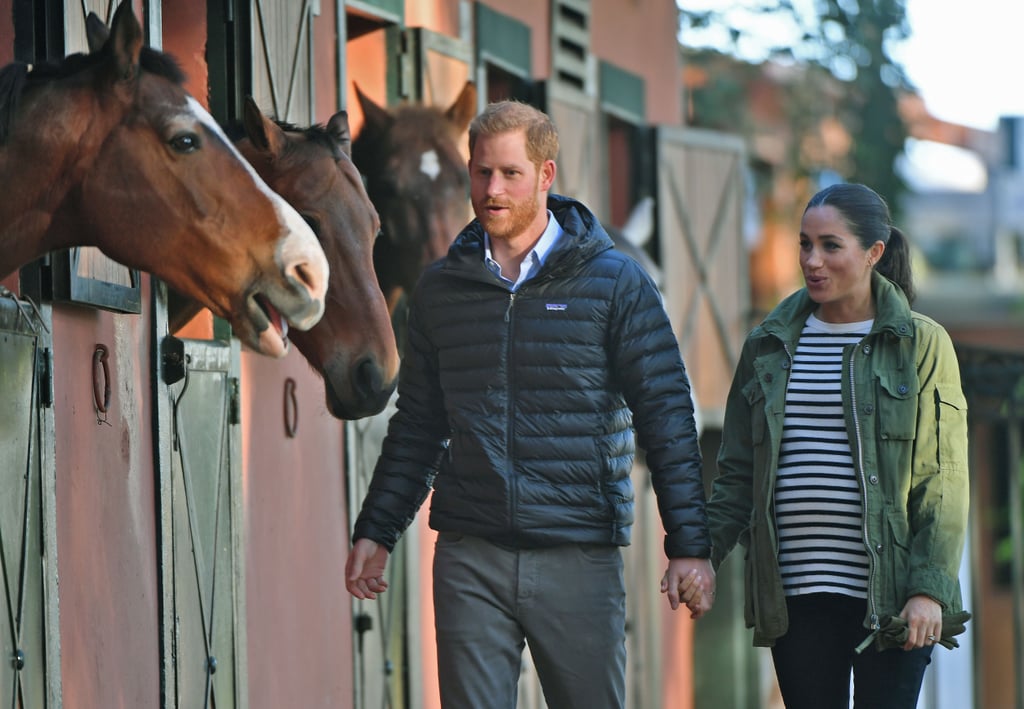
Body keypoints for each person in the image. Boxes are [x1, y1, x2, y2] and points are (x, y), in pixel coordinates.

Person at [345, 99, 715, 708]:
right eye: (481, 172)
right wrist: (377, 529)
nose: (492, 189)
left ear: (545, 175)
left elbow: (667, 414)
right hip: (470, 557)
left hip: (578, 554)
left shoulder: (615, 282)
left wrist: (690, 545)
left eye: (510, 173)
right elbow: (419, 426)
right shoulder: (441, 291)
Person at [693, 182, 970, 708]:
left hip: (890, 598)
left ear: (873, 253)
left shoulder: (921, 343)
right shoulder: (768, 345)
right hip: (795, 592)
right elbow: (736, 473)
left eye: (830, 245)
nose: (812, 261)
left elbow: (943, 481)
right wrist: (700, 554)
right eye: (804, 244)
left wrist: (927, 590)